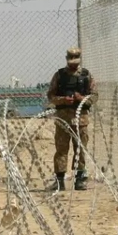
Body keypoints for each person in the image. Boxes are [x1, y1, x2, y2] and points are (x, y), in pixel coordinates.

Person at [46, 47, 97, 191]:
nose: (73, 64)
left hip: (81, 120)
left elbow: (95, 96)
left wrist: (82, 99)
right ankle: (59, 181)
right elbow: (50, 96)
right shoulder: (59, 76)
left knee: (80, 149)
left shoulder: (87, 76)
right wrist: (63, 100)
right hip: (63, 119)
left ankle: (80, 180)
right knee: (61, 150)